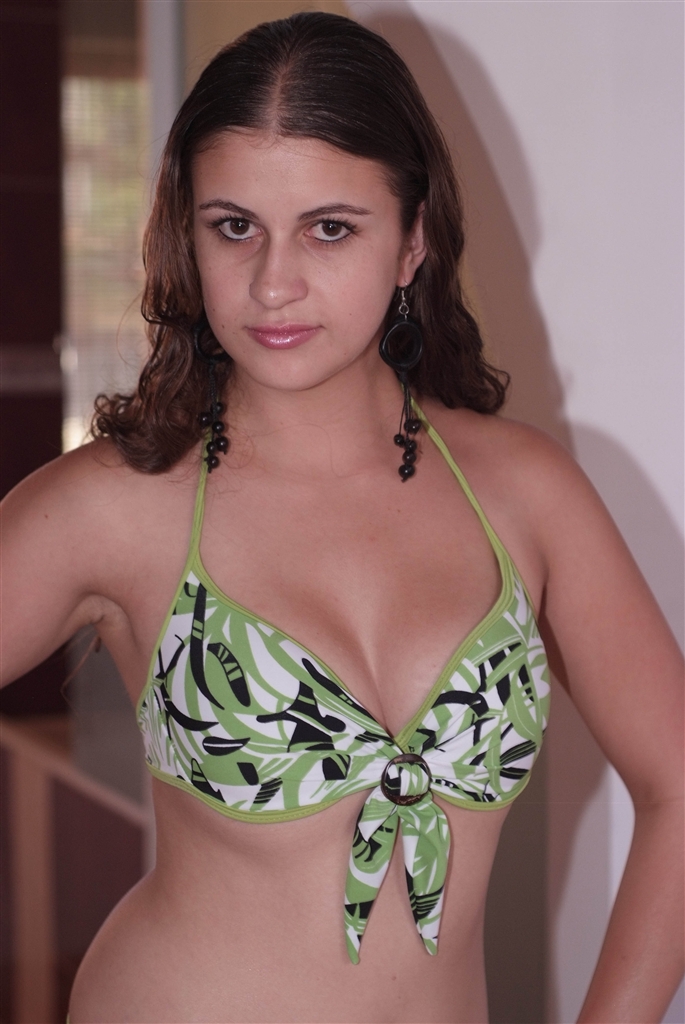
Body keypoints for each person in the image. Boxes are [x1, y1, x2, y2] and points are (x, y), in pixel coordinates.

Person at [1, 12, 682, 1024]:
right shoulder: (114, 505)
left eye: (329, 227)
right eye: (234, 226)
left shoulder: (523, 492)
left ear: (412, 240)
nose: (273, 282)